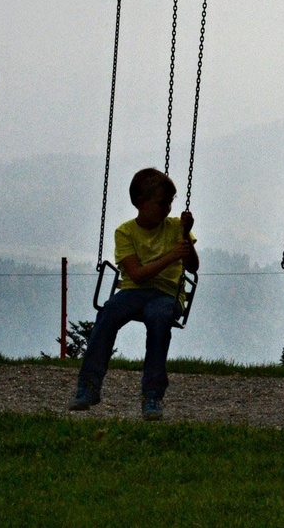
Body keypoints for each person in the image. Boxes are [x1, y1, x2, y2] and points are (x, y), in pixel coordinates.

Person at [69, 168, 199, 421]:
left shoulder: (176, 228)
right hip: (134, 291)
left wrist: (185, 235)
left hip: (167, 293)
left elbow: (193, 267)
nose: (169, 208)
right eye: (163, 203)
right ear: (141, 203)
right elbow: (137, 275)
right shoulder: (125, 232)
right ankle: (89, 385)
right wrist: (172, 256)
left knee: (159, 318)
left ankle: (152, 394)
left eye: (171, 202)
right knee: (109, 313)